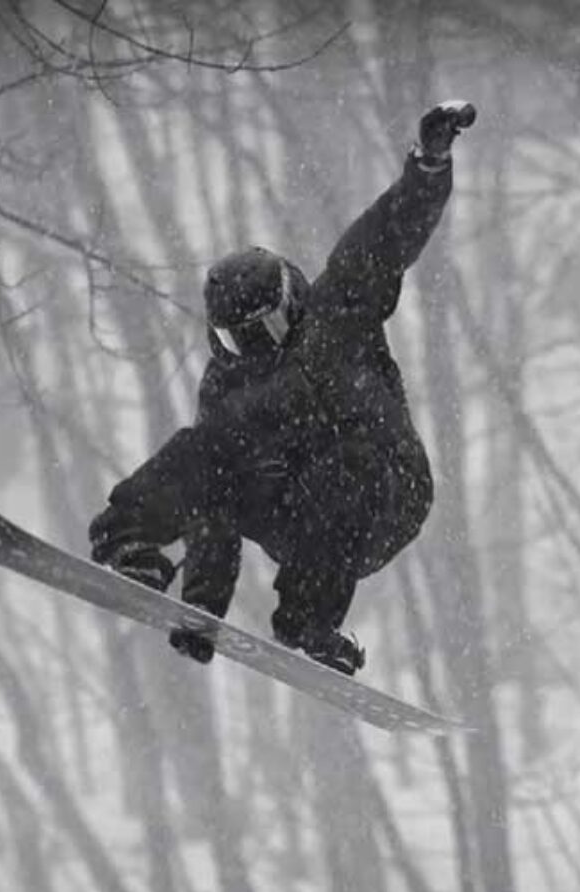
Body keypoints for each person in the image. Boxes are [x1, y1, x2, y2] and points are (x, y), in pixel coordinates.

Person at [88, 100, 476, 675]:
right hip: (290, 513)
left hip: (385, 492)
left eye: (270, 326)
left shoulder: (339, 308)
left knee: (345, 467)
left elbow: (391, 230)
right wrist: (202, 605)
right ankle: (128, 543)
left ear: (292, 299)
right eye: (243, 339)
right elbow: (210, 500)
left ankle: (311, 622)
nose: (263, 347)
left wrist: (429, 164)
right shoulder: (226, 389)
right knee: (198, 450)